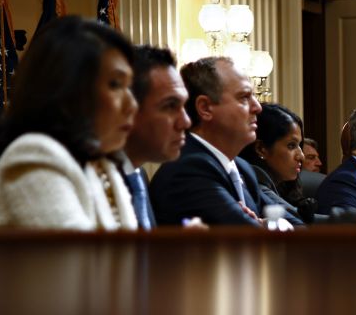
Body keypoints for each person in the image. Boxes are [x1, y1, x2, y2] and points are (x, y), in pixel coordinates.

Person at [0, 16, 138, 230]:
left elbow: (129, 255)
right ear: (69, 89)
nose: (132, 105)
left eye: (129, 87)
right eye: (115, 85)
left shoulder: (101, 165)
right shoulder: (34, 155)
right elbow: (74, 261)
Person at [149, 56, 300, 227]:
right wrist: (267, 226)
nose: (257, 107)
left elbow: (298, 228)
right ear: (205, 108)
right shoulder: (188, 169)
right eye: (244, 97)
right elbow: (251, 237)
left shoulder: (242, 168)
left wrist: (272, 224)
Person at [118, 45, 190, 230]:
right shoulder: (91, 178)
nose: (185, 122)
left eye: (183, 106)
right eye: (170, 106)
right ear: (128, 108)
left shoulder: (137, 175)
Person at [239, 103, 310, 216]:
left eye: (300, 145)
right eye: (291, 146)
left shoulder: (283, 187)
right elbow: (297, 221)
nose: (301, 156)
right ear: (261, 149)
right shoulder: (256, 186)